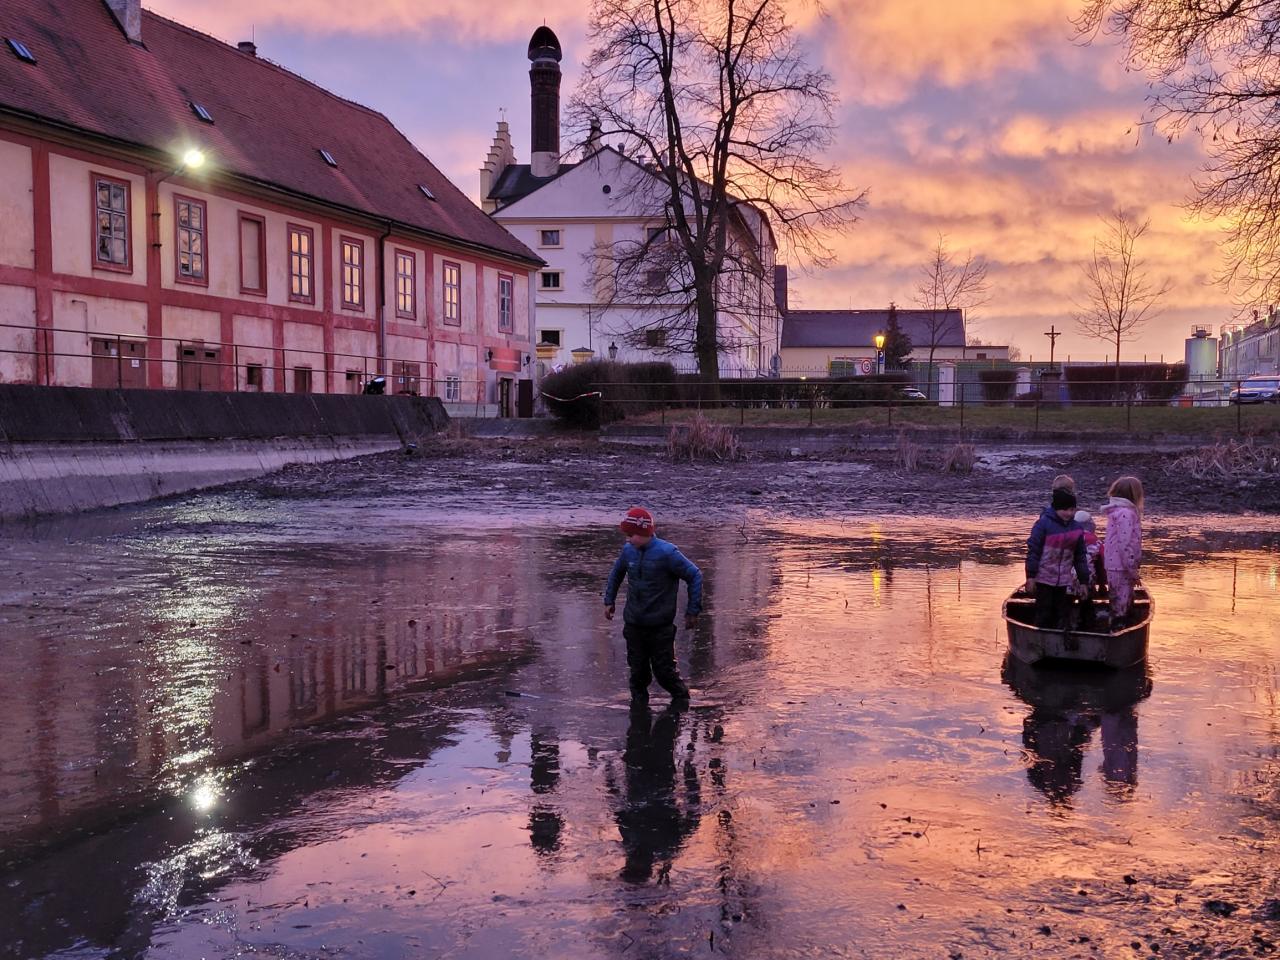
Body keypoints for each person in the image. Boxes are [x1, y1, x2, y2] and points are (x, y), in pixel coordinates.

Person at [604, 507, 702, 705]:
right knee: (637, 673)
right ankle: (639, 710)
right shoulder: (628, 551)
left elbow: (694, 575)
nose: (628, 540)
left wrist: (692, 611)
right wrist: (609, 600)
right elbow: (616, 573)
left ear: (644, 532)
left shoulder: (667, 553)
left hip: (660, 627)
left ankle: (682, 703)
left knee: (665, 672)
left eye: (631, 535)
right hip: (633, 623)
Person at [1025, 487, 1091, 629]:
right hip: (1043, 578)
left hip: (1063, 581)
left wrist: (1084, 581)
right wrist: (1031, 576)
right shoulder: (1043, 525)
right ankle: (1041, 637)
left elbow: (1080, 557)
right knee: (1044, 612)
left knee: (1061, 613)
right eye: (1064, 509)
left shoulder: (1077, 529)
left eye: (1072, 510)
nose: (1069, 513)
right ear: (1056, 509)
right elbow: (1034, 551)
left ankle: (1060, 636)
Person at [1100, 476, 1144, 627]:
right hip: (1121, 566)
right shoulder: (1126, 514)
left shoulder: (1119, 511)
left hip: (1116, 565)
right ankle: (1117, 629)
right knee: (1120, 605)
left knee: (1118, 601)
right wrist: (1132, 569)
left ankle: (1117, 626)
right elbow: (1124, 545)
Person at [1073, 510, 1106, 630]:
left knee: (1065, 603)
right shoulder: (1097, 543)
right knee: (1087, 604)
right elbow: (1101, 567)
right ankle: (1087, 626)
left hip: (1065, 582)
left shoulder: (1067, 540)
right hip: (1086, 581)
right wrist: (1102, 586)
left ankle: (1064, 625)